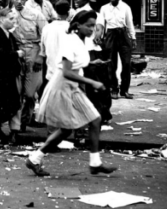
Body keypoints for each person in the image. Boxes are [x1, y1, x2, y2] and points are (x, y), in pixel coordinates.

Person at [26, 10, 117, 177]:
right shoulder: (70, 41)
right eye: (88, 26)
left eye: (94, 26)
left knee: (94, 120)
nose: (92, 29)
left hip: (73, 86)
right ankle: (35, 158)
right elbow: (67, 71)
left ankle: (95, 163)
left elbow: (77, 64)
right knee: (69, 128)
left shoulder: (81, 41)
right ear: (78, 25)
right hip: (62, 86)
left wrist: (93, 64)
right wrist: (92, 82)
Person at [69, 0, 112, 124]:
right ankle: (101, 113)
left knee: (89, 85)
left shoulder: (82, 14)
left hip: (89, 52)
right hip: (89, 51)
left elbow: (98, 32)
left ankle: (95, 114)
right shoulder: (83, 13)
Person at [8, 0, 46, 140]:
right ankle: (16, 127)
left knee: (30, 93)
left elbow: (45, 36)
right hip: (16, 53)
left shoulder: (36, 14)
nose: (19, 2)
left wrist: (41, 56)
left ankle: (25, 119)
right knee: (15, 92)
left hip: (33, 51)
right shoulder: (8, 15)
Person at [0, 8, 23, 147]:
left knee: (8, 105)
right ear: (1, 20)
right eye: (10, 19)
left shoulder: (8, 34)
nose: (14, 21)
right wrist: (16, 54)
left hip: (7, 77)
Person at [100, 0, 136, 100]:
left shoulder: (126, 7)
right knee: (111, 64)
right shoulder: (104, 8)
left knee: (126, 64)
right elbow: (101, 24)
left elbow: (130, 23)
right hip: (110, 35)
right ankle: (113, 89)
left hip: (123, 35)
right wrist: (101, 37)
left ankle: (124, 90)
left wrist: (133, 38)